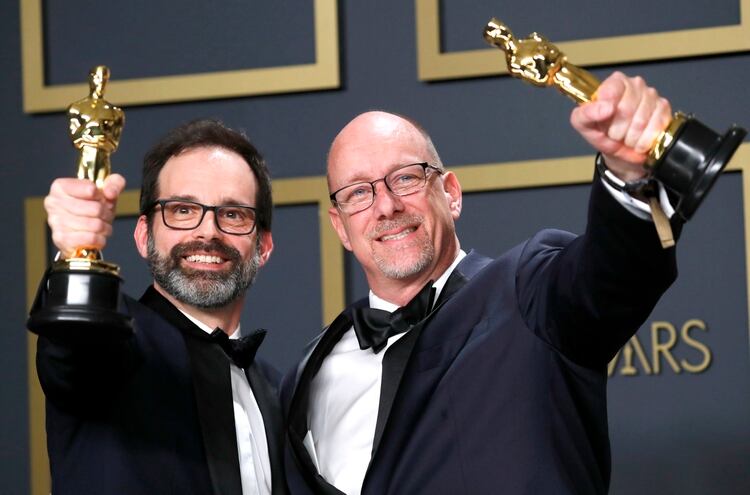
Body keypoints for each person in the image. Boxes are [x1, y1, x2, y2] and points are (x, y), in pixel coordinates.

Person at [282, 72, 680, 494]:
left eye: (405, 177)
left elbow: (617, 272)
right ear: (341, 227)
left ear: (451, 193)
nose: (387, 206)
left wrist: (627, 175)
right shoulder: (307, 373)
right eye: (359, 193)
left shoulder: (528, 290)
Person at [34, 119, 288, 494]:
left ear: (263, 247)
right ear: (143, 236)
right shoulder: (111, 341)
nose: (208, 232)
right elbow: (71, 346)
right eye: (183, 210)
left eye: (233, 214)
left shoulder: (276, 390)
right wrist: (76, 255)